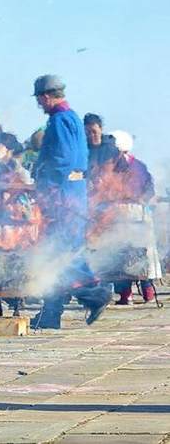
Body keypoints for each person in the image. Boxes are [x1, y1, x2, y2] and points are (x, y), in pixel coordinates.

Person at [30, 74, 112, 329]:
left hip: (62, 195)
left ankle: (95, 293)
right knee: (57, 254)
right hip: (70, 193)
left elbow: (63, 160)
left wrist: (43, 177)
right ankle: (51, 314)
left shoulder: (60, 120)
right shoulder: (72, 118)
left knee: (63, 254)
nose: (39, 105)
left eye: (39, 100)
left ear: (46, 97)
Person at [88, 130, 162, 304]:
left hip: (135, 213)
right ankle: (125, 294)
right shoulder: (105, 166)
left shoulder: (138, 167)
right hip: (114, 215)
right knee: (119, 256)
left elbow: (147, 190)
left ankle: (148, 291)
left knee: (141, 253)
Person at [84, 113, 119, 179]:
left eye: (94, 132)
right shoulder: (83, 150)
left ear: (101, 129)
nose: (91, 135)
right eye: (88, 132)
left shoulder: (111, 149)